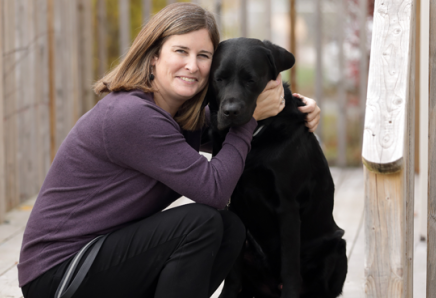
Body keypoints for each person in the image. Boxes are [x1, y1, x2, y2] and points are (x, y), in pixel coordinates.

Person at [18, 3, 321, 298]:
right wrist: (251, 118)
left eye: (203, 55)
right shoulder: (132, 114)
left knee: (229, 228)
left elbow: (221, 128)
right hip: (59, 273)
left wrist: (294, 111)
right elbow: (214, 189)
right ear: (153, 57)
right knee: (202, 223)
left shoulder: (172, 114)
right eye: (180, 51)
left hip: (100, 258)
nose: (192, 65)